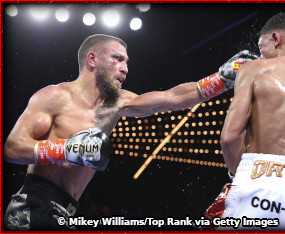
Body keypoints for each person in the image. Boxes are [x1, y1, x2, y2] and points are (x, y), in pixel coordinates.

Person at [4, 34, 258, 230]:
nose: (125, 68)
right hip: (33, 203)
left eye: (127, 62)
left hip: (67, 210)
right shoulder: (55, 96)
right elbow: (13, 148)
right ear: (92, 60)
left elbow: (171, 98)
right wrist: (66, 149)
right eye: (117, 59)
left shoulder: (118, 103)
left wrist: (220, 80)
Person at [202, 13, 285, 231]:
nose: (261, 56)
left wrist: (240, 176)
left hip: (257, 188)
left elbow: (230, 137)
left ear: (275, 38)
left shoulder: (255, 69)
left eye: (262, 49)